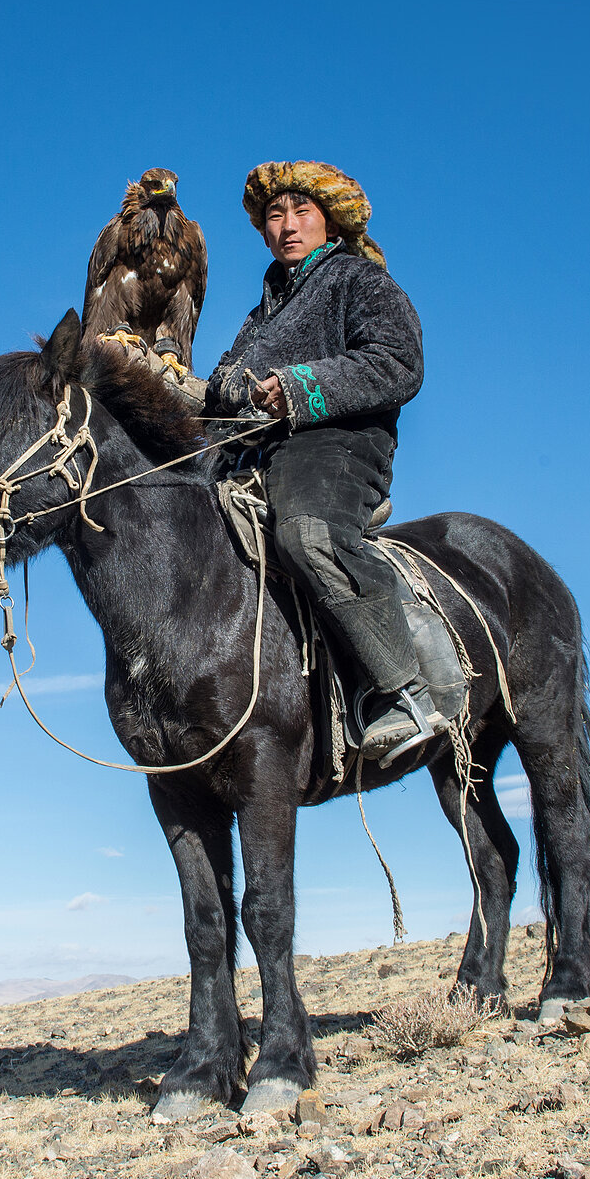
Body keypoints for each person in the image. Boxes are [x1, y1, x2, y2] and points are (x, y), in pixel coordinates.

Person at [206, 161, 438, 763]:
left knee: (307, 535)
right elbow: (224, 383)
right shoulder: (261, 315)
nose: (287, 225)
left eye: (301, 212)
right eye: (274, 215)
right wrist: (218, 386)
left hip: (340, 443)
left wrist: (298, 386)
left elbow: (397, 362)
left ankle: (403, 692)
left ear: (328, 219)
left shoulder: (358, 280)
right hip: (260, 448)